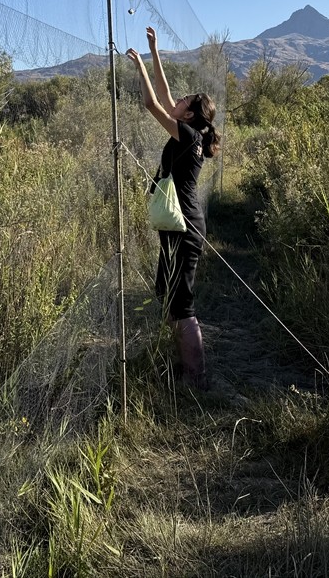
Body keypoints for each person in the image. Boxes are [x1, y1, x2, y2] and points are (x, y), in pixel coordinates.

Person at [125, 26, 221, 390]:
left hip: (185, 228)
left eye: (183, 101)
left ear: (192, 115)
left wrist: (141, 67)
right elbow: (164, 98)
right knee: (169, 298)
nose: (176, 100)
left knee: (182, 306)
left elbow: (152, 103)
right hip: (178, 225)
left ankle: (196, 378)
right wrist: (154, 50)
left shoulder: (189, 135)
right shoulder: (189, 132)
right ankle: (184, 368)